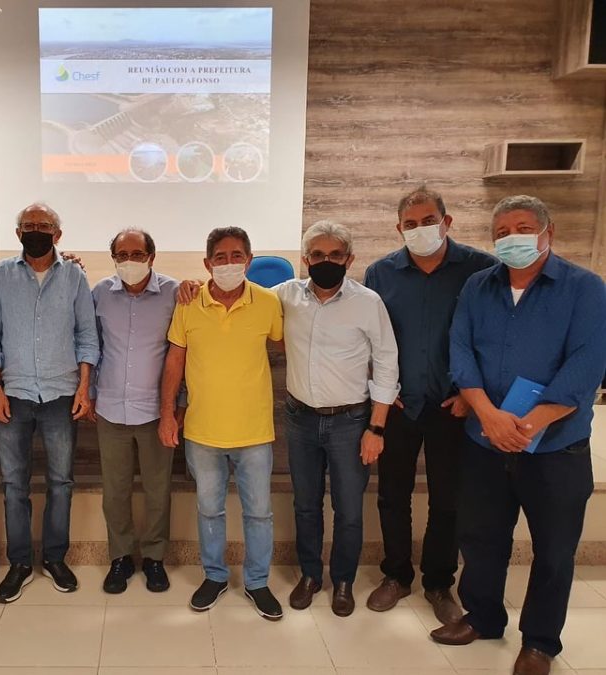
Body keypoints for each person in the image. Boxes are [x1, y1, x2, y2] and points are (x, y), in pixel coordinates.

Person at [432, 195, 606, 675]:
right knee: (481, 536)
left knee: (554, 549)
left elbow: (588, 364)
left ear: (548, 233)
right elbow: (461, 350)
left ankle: (540, 642)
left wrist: (530, 423)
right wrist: (488, 415)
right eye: (503, 232)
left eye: (524, 228)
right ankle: (483, 618)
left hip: (556, 445)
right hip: (485, 439)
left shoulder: (585, 289)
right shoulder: (478, 286)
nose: (513, 238)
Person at [363, 187, 496, 624]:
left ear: (446, 221)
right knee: (392, 496)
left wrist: (471, 396)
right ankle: (396, 576)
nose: (419, 229)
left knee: (448, 499)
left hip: (452, 407)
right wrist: (381, 389)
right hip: (399, 406)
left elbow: (491, 338)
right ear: (398, 229)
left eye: (427, 221)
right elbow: (367, 338)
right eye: (410, 224)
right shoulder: (381, 273)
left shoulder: (479, 269)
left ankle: (439, 582)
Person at [159, 226, 285, 621]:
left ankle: (257, 582)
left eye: (236, 256)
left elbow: (288, 344)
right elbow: (175, 360)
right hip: (203, 431)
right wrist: (167, 412)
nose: (228, 264)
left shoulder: (267, 302)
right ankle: (214, 576)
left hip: (254, 432)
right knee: (209, 510)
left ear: (249, 260)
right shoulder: (189, 302)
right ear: (207, 263)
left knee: (259, 513)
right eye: (220, 257)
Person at [0, 202, 99, 603]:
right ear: (18, 234)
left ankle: (54, 558)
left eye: (44, 225)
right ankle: (19, 563)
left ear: (57, 234)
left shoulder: (75, 277)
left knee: (61, 482)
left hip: (61, 395)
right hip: (12, 395)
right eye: (28, 225)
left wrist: (84, 388)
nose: (36, 230)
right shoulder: (0, 276)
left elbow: (87, 335)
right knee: (14, 483)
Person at [280, 220, 399, 617]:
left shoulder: (368, 302)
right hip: (300, 419)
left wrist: (376, 427)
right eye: (317, 255)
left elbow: (387, 363)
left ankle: (343, 580)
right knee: (306, 505)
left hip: (351, 422)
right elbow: (244, 298)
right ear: (305, 259)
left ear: (349, 259)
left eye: (335, 255)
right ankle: (311, 575)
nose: (325, 261)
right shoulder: (286, 295)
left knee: (348, 510)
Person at [90, 229, 179, 594]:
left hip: (157, 411)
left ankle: (155, 558)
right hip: (110, 408)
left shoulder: (175, 293)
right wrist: (89, 393)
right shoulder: (99, 293)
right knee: (115, 491)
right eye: (122, 254)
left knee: (158, 490)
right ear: (113, 258)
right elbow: (91, 345)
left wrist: (177, 407)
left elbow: (183, 352)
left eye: (138, 254)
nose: (130, 260)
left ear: (151, 257)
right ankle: (121, 557)